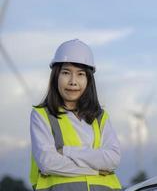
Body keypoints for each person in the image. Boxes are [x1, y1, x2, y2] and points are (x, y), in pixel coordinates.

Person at [29, 39, 122, 191]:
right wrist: (97, 170)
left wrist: (66, 151)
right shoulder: (41, 115)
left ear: (88, 79)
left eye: (80, 74)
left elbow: (112, 160)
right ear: (56, 76)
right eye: (66, 73)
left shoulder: (101, 117)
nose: (73, 82)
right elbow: (47, 162)